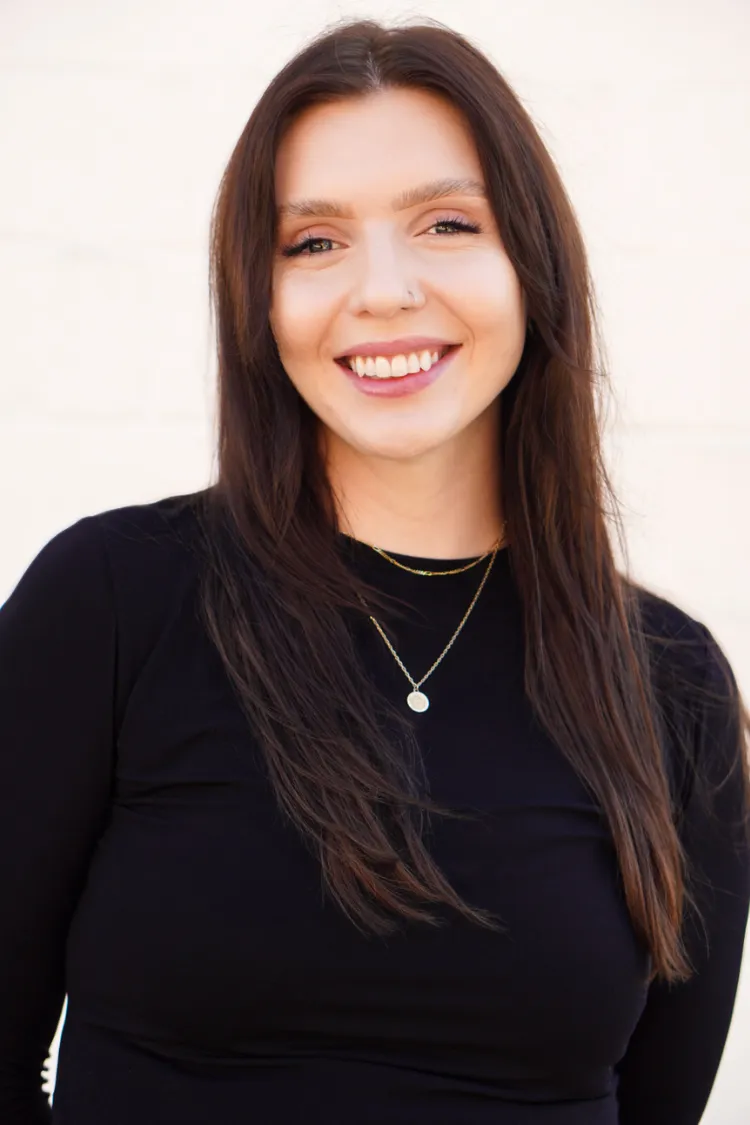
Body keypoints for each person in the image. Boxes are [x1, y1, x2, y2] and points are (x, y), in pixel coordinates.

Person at [1, 17, 748, 1125]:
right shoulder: (111, 601)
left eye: (446, 223)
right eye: (313, 242)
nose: (383, 291)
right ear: (258, 299)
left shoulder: (671, 682)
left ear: (530, 264)